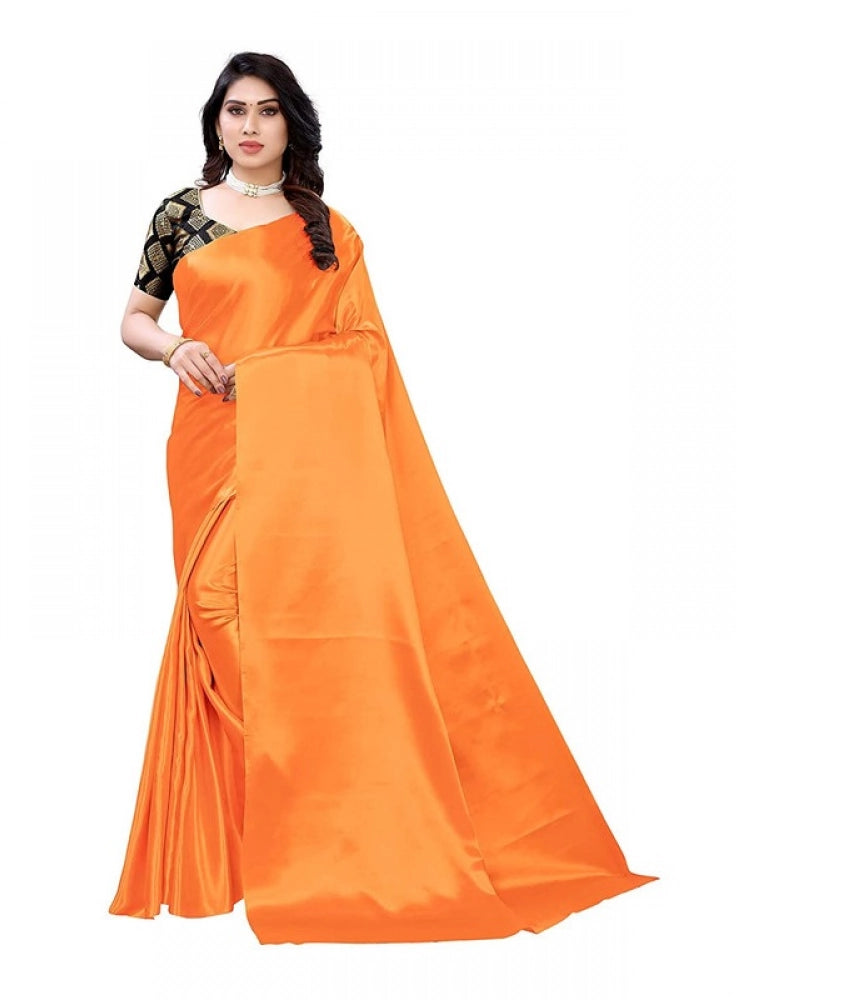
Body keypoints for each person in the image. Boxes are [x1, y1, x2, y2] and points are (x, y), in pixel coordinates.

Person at [108, 51, 657, 945]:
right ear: (215, 122)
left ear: (292, 125)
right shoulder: (180, 214)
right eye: (236, 110)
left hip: (303, 460)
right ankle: (292, 815)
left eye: (268, 111)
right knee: (215, 614)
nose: (250, 126)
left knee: (300, 625)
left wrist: (274, 374)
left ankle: (334, 815)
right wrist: (173, 348)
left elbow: (363, 350)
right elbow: (133, 318)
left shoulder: (327, 230)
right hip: (207, 447)